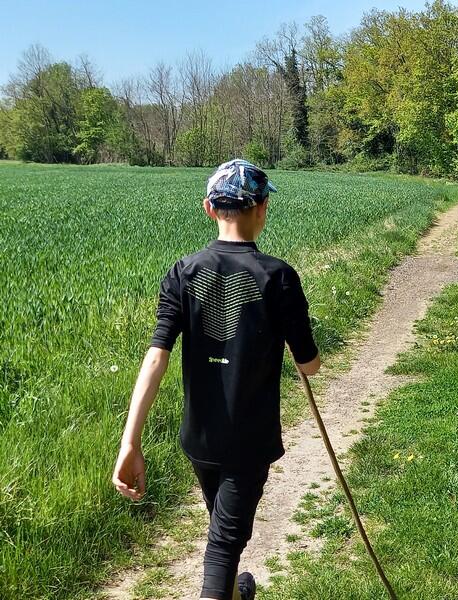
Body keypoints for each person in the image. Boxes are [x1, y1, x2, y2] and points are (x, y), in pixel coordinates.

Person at [111, 159, 320, 600]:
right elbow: (310, 365)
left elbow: (156, 356)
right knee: (224, 544)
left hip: (200, 437)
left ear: (209, 208)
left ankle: (234, 592)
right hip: (250, 439)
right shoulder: (278, 277)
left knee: (223, 529)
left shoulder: (183, 272)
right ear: (262, 208)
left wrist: (130, 441)